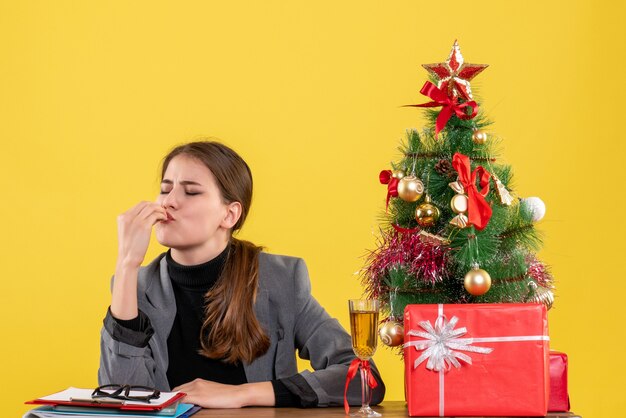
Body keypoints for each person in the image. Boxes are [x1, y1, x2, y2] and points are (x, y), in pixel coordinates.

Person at [98, 141, 386, 408]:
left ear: (230, 215)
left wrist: (241, 394)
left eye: (191, 191)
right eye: (165, 188)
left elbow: (364, 378)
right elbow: (120, 399)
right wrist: (126, 265)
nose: (168, 202)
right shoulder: (133, 287)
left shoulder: (281, 280)